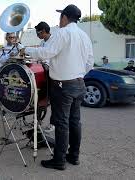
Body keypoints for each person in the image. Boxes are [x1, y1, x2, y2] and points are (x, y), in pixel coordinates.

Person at [22, 4, 94, 170]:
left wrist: (25, 49)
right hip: (79, 83)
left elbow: (46, 53)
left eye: (60, 16)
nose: (59, 19)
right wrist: (78, 73)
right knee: (75, 122)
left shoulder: (63, 33)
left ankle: (59, 160)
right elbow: (90, 61)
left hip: (63, 86)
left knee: (62, 123)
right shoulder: (84, 35)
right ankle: (73, 156)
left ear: (64, 17)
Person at [34, 21, 55, 133]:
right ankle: (38, 120)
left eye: (38, 32)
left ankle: (52, 124)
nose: (37, 35)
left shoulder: (54, 41)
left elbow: (48, 56)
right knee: (41, 97)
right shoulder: (42, 43)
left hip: (52, 73)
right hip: (42, 72)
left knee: (53, 100)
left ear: (43, 31)